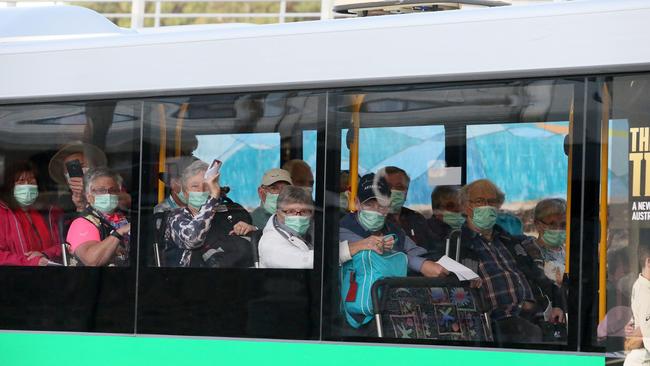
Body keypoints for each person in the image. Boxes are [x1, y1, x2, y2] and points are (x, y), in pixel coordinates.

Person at [456, 179, 566, 344]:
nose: (486, 206)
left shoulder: (511, 242)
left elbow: (540, 277)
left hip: (534, 315)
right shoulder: (459, 243)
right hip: (496, 321)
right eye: (479, 201)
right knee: (529, 333)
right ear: (465, 207)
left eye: (491, 201)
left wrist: (558, 304)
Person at [339, 173, 448, 278]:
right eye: (369, 204)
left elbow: (416, 252)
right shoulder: (344, 228)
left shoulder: (393, 229)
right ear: (357, 203)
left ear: (389, 206)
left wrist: (433, 262)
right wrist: (420, 265)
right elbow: (378, 257)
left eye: (381, 205)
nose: (376, 211)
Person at [164, 160, 254, 268]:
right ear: (185, 192)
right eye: (195, 186)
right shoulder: (176, 217)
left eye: (206, 186)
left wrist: (251, 229)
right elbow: (193, 240)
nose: (201, 190)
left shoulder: (231, 212)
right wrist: (213, 198)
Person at [0, 161, 63, 266]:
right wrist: (30, 262)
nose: (27, 186)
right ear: (10, 186)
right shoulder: (2, 213)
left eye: (31, 182)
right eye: (21, 181)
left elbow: (64, 245)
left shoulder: (48, 212)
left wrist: (45, 254)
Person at [66, 167, 130, 267]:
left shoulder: (125, 218)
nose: (108, 194)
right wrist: (119, 233)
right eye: (101, 190)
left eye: (112, 190)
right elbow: (92, 260)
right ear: (89, 196)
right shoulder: (82, 223)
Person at [383, 166, 442, 253]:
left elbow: (435, 248)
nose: (393, 191)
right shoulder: (376, 221)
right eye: (388, 187)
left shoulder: (416, 218)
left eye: (399, 187)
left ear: (406, 192)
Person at [258, 186, 314, 269]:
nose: (298, 217)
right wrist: (335, 252)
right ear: (277, 212)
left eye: (304, 211)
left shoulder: (311, 230)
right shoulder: (270, 242)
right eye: (290, 211)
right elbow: (303, 262)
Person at [48, 141, 107, 214]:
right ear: (65, 176)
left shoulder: (108, 190)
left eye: (81, 165)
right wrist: (80, 206)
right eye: (70, 169)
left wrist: (92, 192)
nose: (77, 170)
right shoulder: (63, 203)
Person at [520, 198, 567, 287]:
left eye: (563, 224)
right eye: (552, 224)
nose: (558, 229)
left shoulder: (570, 253)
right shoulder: (527, 252)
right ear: (537, 224)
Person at [624, 242, 650, 366]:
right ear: (648, 262)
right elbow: (646, 334)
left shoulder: (638, 284)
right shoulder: (646, 292)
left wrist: (634, 327)